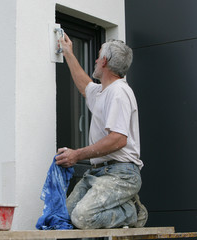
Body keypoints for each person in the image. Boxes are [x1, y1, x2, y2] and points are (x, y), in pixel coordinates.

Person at [55, 33, 148, 229]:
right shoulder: (102, 92)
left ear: (104, 61)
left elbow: (118, 140)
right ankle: (125, 208)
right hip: (99, 172)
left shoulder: (119, 93)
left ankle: (132, 211)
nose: (96, 60)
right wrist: (68, 53)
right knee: (64, 217)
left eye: (98, 56)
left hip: (121, 174)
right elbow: (84, 86)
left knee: (82, 218)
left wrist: (77, 154)